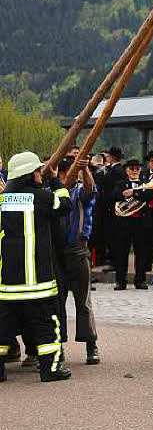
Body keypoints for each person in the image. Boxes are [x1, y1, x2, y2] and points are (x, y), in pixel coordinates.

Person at [0, 152, 73, 383]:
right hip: (38, 285)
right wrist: (56, 181)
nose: (40, 173)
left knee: (2, 331)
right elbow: (64, 204)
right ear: (29, 174)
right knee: (46, 328)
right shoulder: (41, 198)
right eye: (38, 170)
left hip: (6, 285)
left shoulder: (1, 200)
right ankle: (50, 370)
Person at [56, 155, 100, 366]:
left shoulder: (79, 191)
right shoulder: (51, 192)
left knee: (83, 301)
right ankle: (57, 346)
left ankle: (91, 345)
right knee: (57, 303)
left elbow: (91, 189)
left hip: (78, 250)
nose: (66, 176)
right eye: (64, 172)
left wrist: (85, 170)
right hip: (56, 253)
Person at [111, 158, 153, 290]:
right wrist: (123, 193)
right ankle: (120, 281)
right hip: (124, 222)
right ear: (127, 171)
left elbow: (149, 196)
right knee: (122, 252)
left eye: (137, 168)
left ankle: (140, 280)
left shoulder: (145, 184)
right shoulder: (120, 183)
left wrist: (134, 192)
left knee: (142, 252)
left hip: (141, 223)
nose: (135, 171)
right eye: (132, 169)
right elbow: (114, 196)